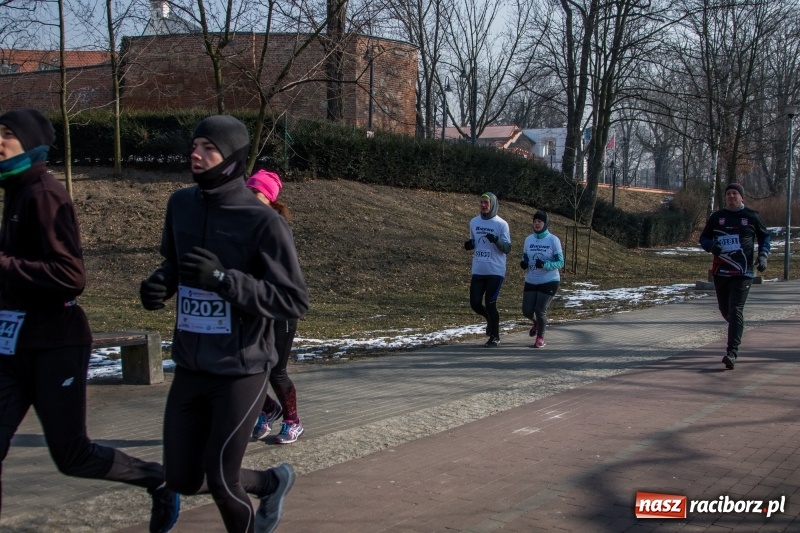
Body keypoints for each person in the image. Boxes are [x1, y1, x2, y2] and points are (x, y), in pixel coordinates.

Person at [0, 108, 179, 533]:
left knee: (72, 456)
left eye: (6, 134)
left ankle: (158, 480)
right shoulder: (15, 190)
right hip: (12, 345)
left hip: (55, 345)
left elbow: (69, 276)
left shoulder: (44, 193)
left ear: (29, 144)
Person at [139, 115, 309, 533]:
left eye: (209, 148)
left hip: (241, 367)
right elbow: (175, 264)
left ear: (233, 158)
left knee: (221, 479)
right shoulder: (180, 204)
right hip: (190, 365)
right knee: (179, 477)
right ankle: (271, 483)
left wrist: (225, 280)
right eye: (195, 145)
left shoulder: (263, 220)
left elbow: (292, 298)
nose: (196, 154)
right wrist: (161, 285)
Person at [246, 169, 304, 445]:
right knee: (247, 369)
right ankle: (268, 409)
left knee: (275, 371)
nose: (249, 198)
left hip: (281, 309)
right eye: (247, 192)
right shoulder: (241, 224)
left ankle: (293, 422)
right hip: (254, 308)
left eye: (256, 193)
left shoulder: (277, 228)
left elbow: (283, 275)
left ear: (269, 198)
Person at [699, 182, 770, 370]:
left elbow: (765, 237)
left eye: (735, 194)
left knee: (735, 309)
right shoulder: (717, 217)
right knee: (725, 310)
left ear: (741, 197)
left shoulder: (751, 216)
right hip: (721, 271)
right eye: (728, 193)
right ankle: (737, 328)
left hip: (743, 272)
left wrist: (763, 255)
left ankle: (732, 353)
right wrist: (710, 246)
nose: (731, 196)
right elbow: (703, 238)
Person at [464, 192, 511, 347]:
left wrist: (496, 240)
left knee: (490, 303)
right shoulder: (474, 222)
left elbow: (507, 248)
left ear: (493, 205)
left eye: (487, 203)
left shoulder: (501, 224)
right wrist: (469, 245)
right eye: (482, 202)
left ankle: (495, 336)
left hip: (495, 271)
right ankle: (489, 320)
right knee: (475, 303)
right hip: (478, 269)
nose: (483, 205)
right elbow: (473, 240)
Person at [520, 211, 564, 348]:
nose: (537, 223)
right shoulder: (528, 239)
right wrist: (524, 263)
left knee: (540, 310)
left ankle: (540, 337)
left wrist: (545, 265)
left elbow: (560, 262)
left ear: (545, 224)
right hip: (531, 279)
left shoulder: (553, 240)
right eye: (535, 221)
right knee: (527, 310)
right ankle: (537, 323)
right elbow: (525, 257)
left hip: (549, 279)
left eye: (540, 221)